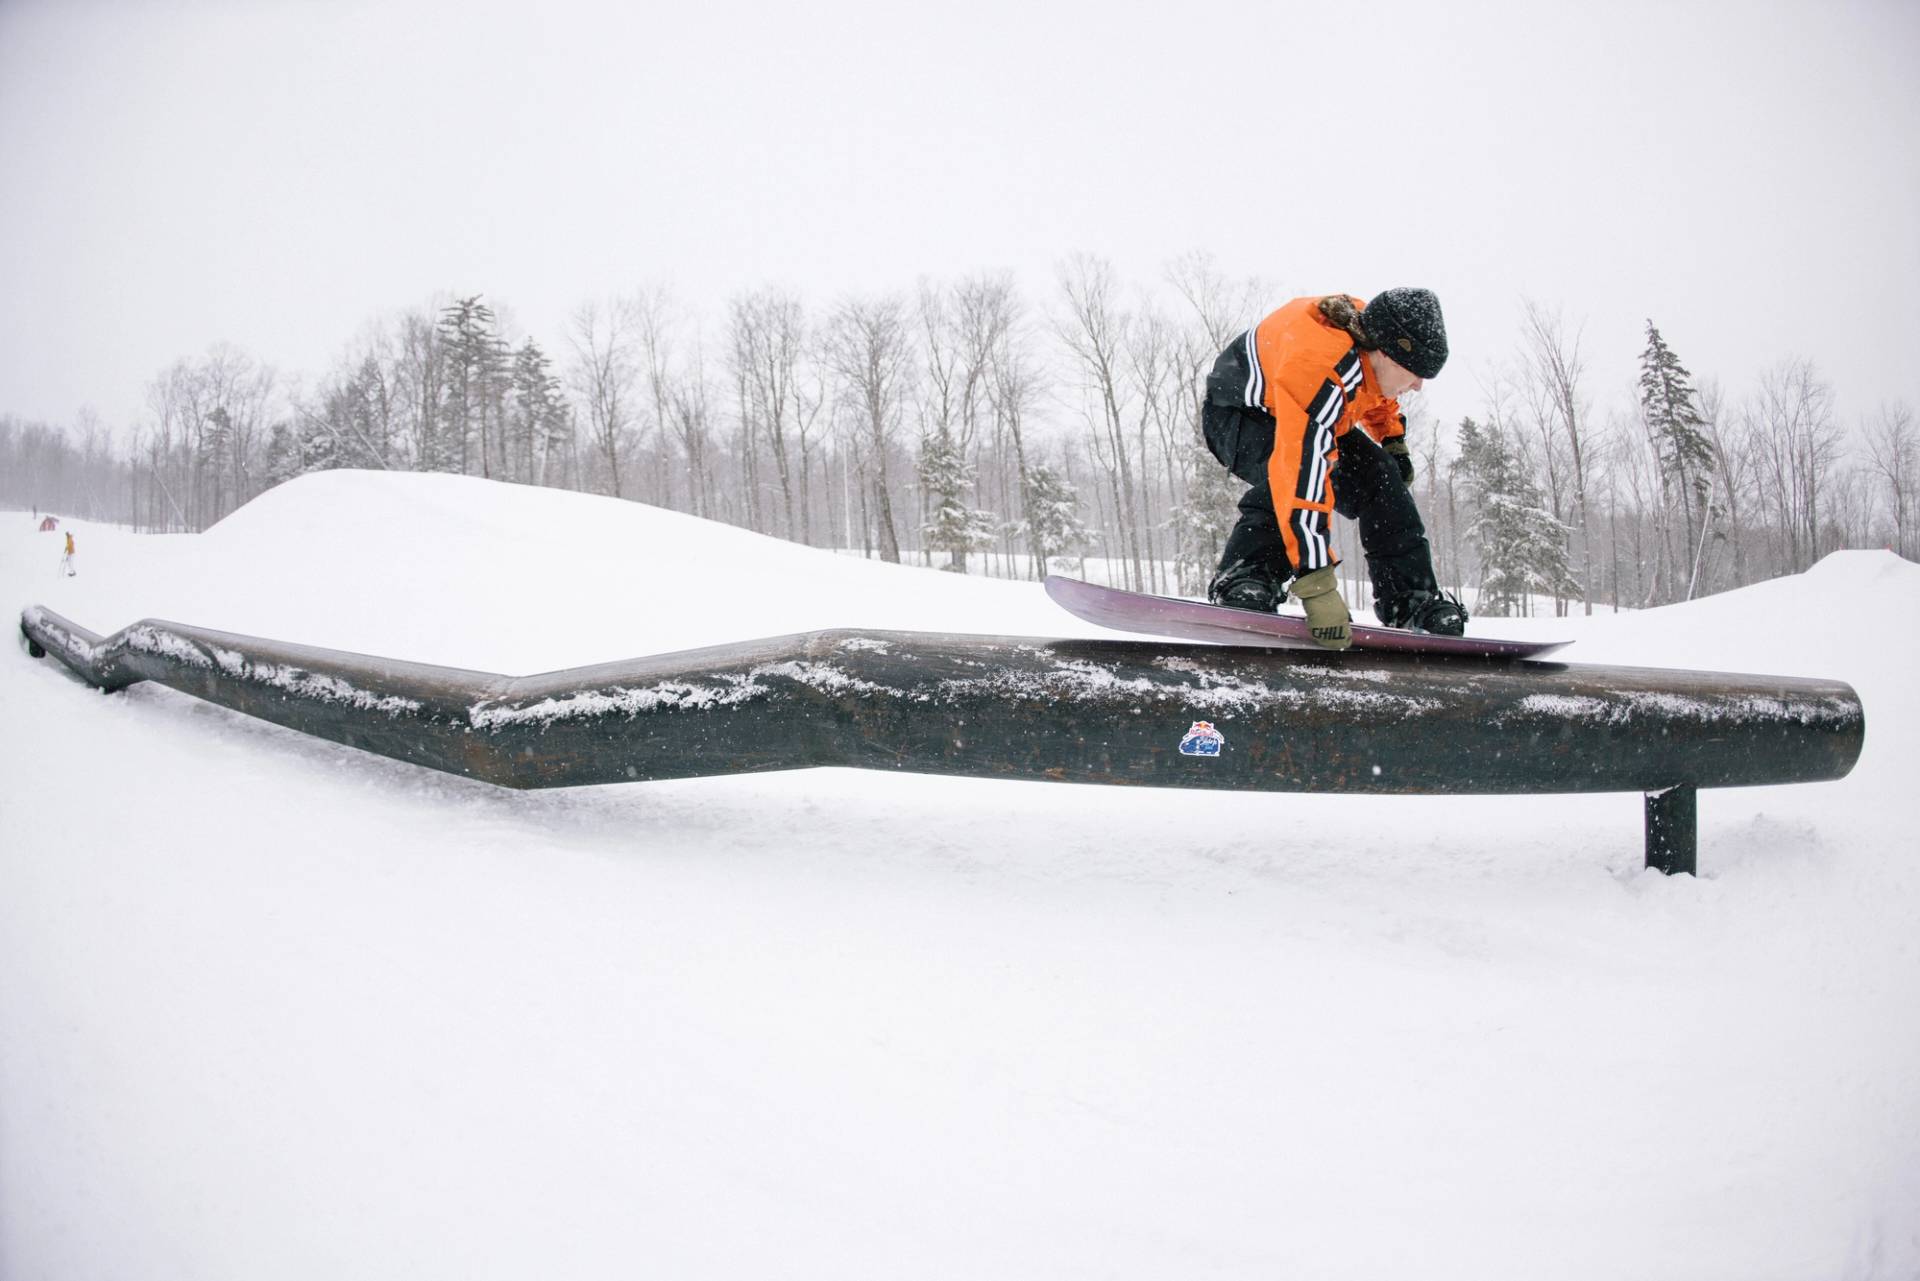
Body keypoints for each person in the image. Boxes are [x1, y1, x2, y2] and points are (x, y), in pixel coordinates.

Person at [1200, 287, 1467, 650]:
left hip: (1302, 409)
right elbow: (1300, 473)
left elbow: (1370, 388)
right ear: (1385, 353)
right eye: (1415, 372)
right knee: (1294, 477)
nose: (1418, 385)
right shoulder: (1318, 364)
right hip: (1238, 415)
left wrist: (1391, 441)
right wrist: (1317, 586)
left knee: (1381, 478)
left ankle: (1410, 598)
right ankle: (1247, 574)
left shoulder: (1370, 336)